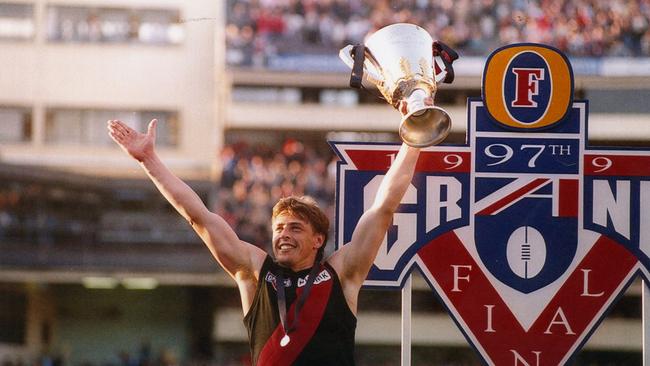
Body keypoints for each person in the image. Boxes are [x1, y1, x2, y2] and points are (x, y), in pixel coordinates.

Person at [108, 97, 430, 365]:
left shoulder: (342, 273)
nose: (283, 234)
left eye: (295, 228)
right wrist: (149, 160)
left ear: (318, 240)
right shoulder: (254, 271)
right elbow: (199, 217)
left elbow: (383, 208)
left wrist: (412, 139)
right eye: (279, 228)